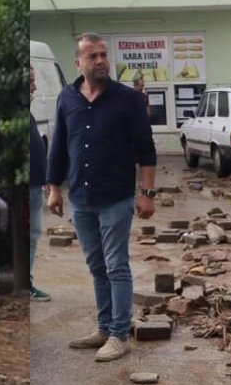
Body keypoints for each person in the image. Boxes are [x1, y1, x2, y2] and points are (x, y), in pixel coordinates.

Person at [47, 32, 157, 363]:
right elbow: (59, 147)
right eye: (92, 56)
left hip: (116, 198)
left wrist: (147, 194)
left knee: (116, 266)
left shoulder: (128, 99)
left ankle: (120, 335)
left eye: (103, 55)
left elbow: (146, 150)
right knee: (97, 267)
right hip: (81, 198)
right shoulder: (67, 98)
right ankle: (105, 327)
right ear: (78, 63)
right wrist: (54, 188)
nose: (100, 61)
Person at [28, 68, 51, 302]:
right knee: (29, 235)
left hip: (36, 186)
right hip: (27, 188)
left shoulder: (30, 115)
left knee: (34, 234)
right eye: (31, 82)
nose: (35, 87)